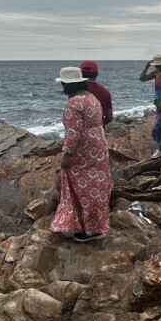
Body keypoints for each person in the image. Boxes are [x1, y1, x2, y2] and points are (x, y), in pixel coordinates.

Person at [51, 66, 112, 242]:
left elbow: (74, 133)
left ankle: (88, 229)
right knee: (96, 186)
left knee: (82, 189)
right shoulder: (92, 98)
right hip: (98, 146)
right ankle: (98, 225)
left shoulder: (73, 103)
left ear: (67, 84)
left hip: (83, 151)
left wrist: (67, 155)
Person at [79, 60, 114, 128]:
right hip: (99, 130)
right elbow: (110, 118)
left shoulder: (75, 90)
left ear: (80, 73)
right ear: (96, 74)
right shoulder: (105, 92)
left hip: (80, 130)